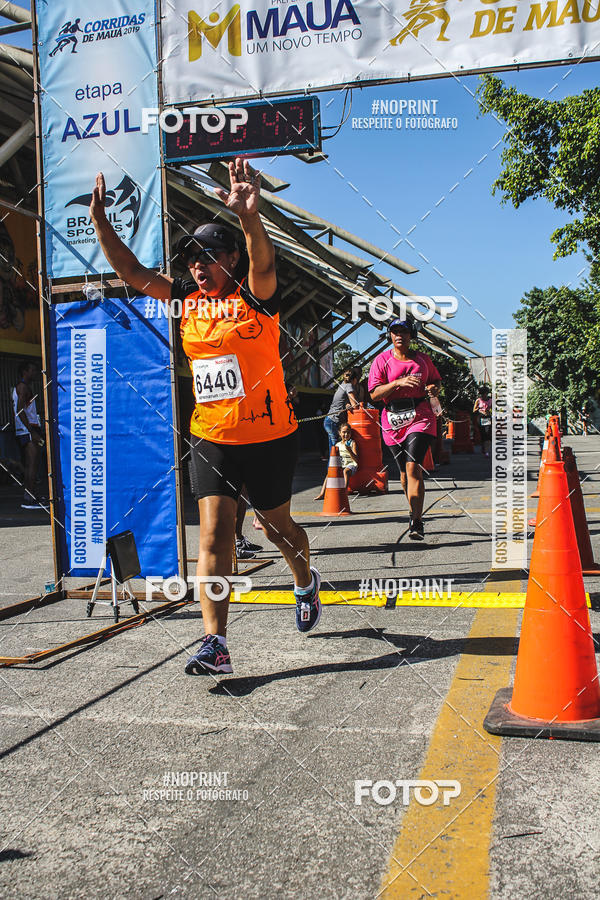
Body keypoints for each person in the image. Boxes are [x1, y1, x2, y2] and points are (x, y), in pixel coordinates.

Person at [90, 159, 322, 676]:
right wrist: (102, 224)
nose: (199, 266)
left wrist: (249, 216)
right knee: (214, 534)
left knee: (274, 526)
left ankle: (304, 580)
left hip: (268, 436)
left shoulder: (257, 300)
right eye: (193, 258)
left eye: (210, 256)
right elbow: (132, 272)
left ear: (232, 260)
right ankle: (214, 642)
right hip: (211, 437)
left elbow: (264, 264)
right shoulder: (185, 303)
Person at [368, 318, 442, 541]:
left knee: (413, 467)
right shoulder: (381, 361)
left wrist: (432, 388)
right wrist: (397, 384)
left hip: (421, 417)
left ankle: (417, 522)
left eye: (404, 331)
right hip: (392, 419)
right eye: (395, 331)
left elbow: (436, 382)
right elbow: (373, 395)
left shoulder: (423, 360)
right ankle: (413, 510)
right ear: (390, 335)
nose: (399, 335)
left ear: (411, 336)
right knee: (402, 473)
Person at [13, 361, 45, 509]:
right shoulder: (23, 387)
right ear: (25, 372)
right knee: (32, 465)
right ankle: (29, 498)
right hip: (28, 430)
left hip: (27, 429)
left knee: (31, 465)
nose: (35, 372)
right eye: (33, 370)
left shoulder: (22, 387)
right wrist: (32, 432)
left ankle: (30, 495)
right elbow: (20, 410)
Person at [323, 368, 359, 451]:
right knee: (336, 450)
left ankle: (332, 464)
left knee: (333, 450)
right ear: (354, 379)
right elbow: (355, 406)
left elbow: (343, 401)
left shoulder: (342, 385)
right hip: (334, 421)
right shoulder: (349, 386)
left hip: (330, 420)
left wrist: (347, 405)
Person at [473, 386, 492, 456]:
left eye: (485, 394)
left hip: (488, 417)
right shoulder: (478, 400)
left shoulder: (490, 400)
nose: (483, 395)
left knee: (488, 434)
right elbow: (474, 410)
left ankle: (486, 449)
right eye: (482, 394)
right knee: (483, 433)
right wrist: (479, 409)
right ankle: (484, 448)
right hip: (481, 417)